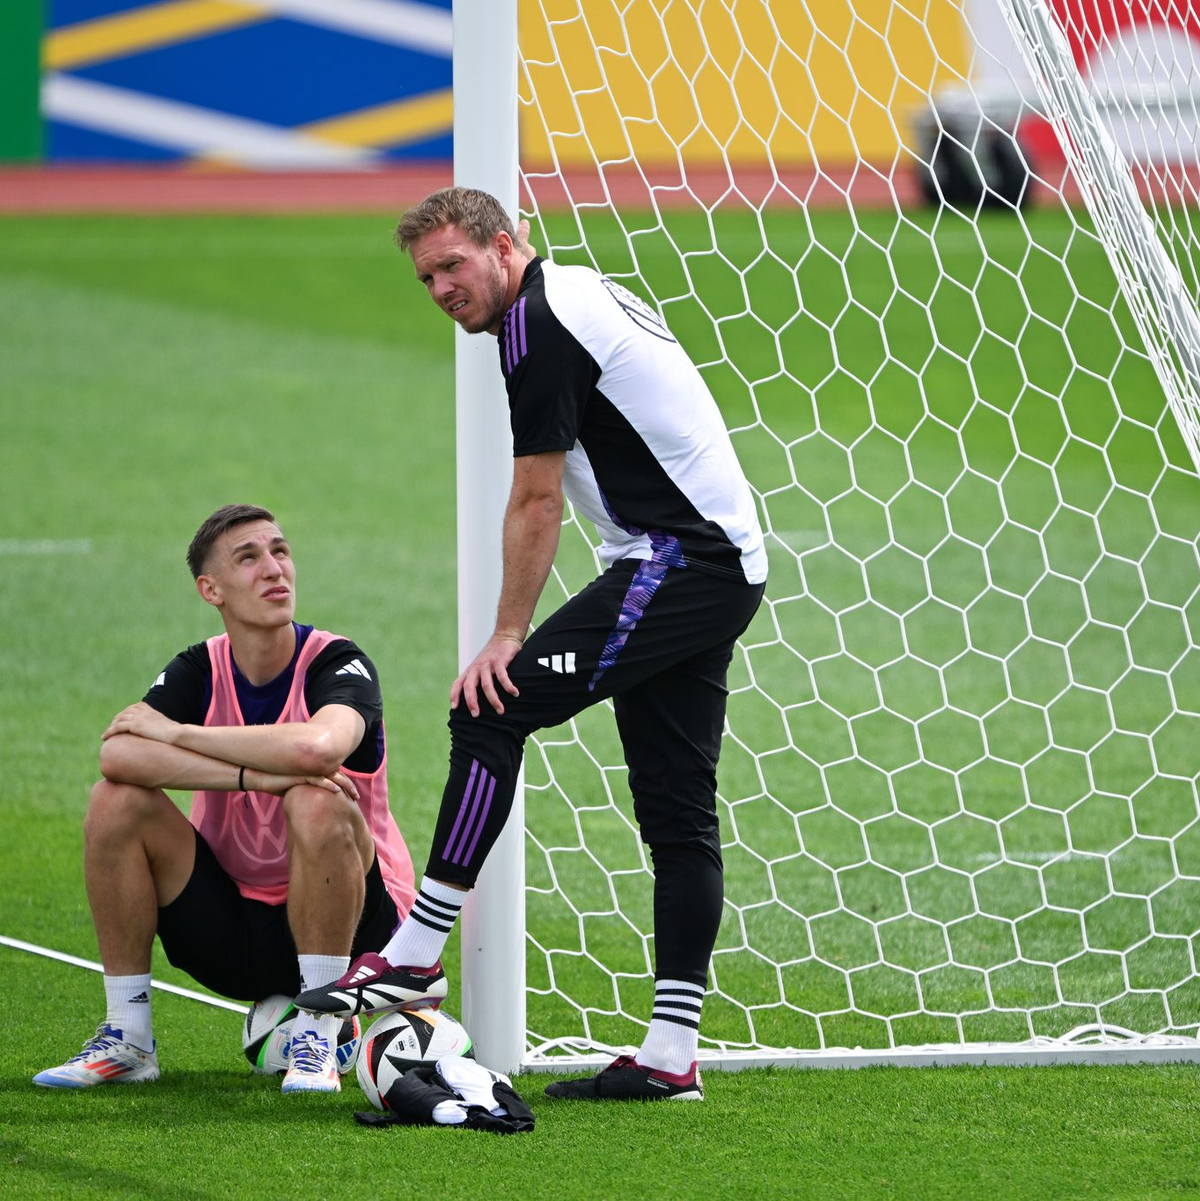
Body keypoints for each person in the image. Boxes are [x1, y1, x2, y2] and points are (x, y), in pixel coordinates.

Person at [297, 188, 768, 1102]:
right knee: (677, 810)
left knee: (489, 702)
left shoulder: (537, 327)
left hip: (682, 560)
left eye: (453, 266)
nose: (441, 288)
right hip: (712, 560)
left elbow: (537, 499)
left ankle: (416, 953)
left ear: (504, 249)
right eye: (426, 275)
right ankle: (671, 1054)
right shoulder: (572, 294)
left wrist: (505, 634)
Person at [33, 504, 416, 1095]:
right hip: (231, 928)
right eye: (249, 558)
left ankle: (318, 1028)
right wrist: (257, 778)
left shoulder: (339, 663)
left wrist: (180, 734)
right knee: (114, 801)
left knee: (316, 798)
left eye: (280, 551)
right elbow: (119, 757)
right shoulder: (198, 668)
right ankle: (129, 1036)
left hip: (357, 933)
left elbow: (319, 748)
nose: (274, 569)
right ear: (210, 589)